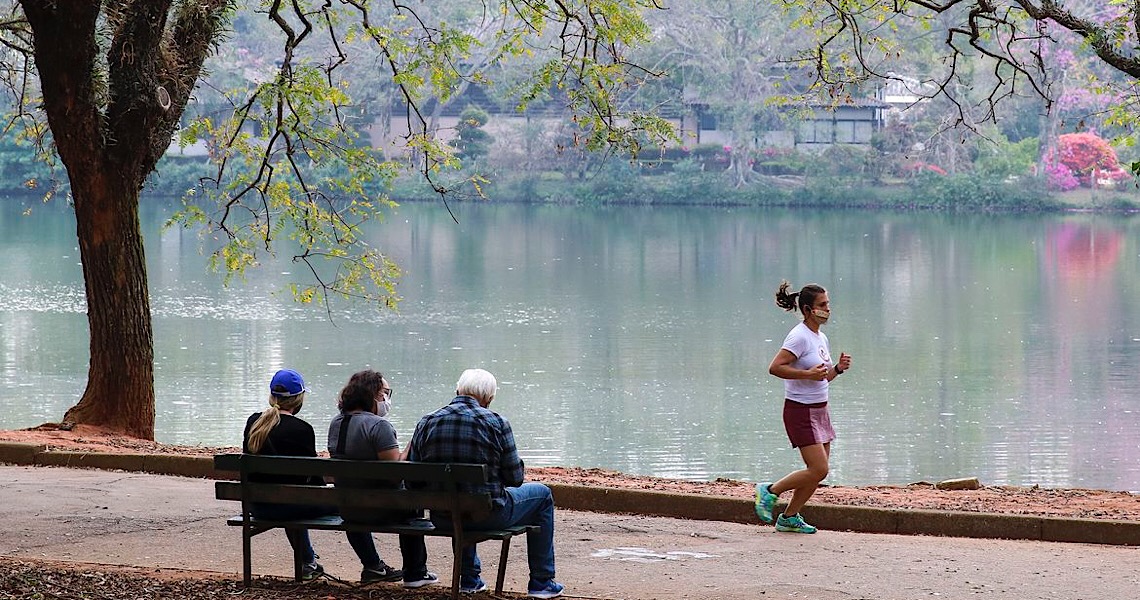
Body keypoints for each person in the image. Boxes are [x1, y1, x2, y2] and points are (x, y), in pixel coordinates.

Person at [408, 368, 564, 599]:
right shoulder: (496, 422)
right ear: (489, 398)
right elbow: (515, 478)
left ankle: (469, 578)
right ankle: (541, 581)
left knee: (457, 496)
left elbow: (413, 481)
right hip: (489, 516)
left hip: (443, 516)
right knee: (542, 495)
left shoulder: (427, 421)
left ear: (457, 390)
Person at [755, 281, 852, 534]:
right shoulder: (798, 336)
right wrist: (807, 375)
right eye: (822, 305)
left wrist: (837, 370)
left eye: (828, 304)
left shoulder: (820, 337)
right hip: (800, 411)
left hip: (820, 410)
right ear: (808, 310)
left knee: (817, 473)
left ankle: (789, 517)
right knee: (819, 468)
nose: (828, 309)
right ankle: (769, 491)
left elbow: (822, 376)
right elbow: (775, 367)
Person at [327, 370, 438, 588]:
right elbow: (394, 473)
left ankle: (372, 565)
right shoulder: (379, 426)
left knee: (358, 499)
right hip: (384, 509)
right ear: (372, 394)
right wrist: (411, 446)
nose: (387, 399)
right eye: (385, 393)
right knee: (412, 498)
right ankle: (415, 572)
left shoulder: (336, 423)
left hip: (349, 507)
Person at [242, 368, 327, 580]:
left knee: (291, 496)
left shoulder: (254, 422)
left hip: (258, 506)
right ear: (299, 399)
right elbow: (314, 481)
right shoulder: (303, 429)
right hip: (290, 506)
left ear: (272, 396)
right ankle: (371, 564)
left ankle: (308, 563)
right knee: (305, 498)